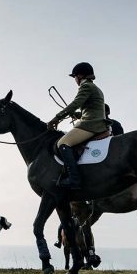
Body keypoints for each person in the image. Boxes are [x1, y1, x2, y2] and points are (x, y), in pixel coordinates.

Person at [47, 62, 108, 190]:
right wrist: (79, 115)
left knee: (62, 143)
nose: (75, 80)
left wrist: (57, 118)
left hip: (91, 125)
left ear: (80, 76)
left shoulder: (85, 86)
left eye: (74, 77)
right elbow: (93, 109)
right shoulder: (95, 87)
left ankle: (74, 179)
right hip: (95, 121)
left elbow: (75, 103)